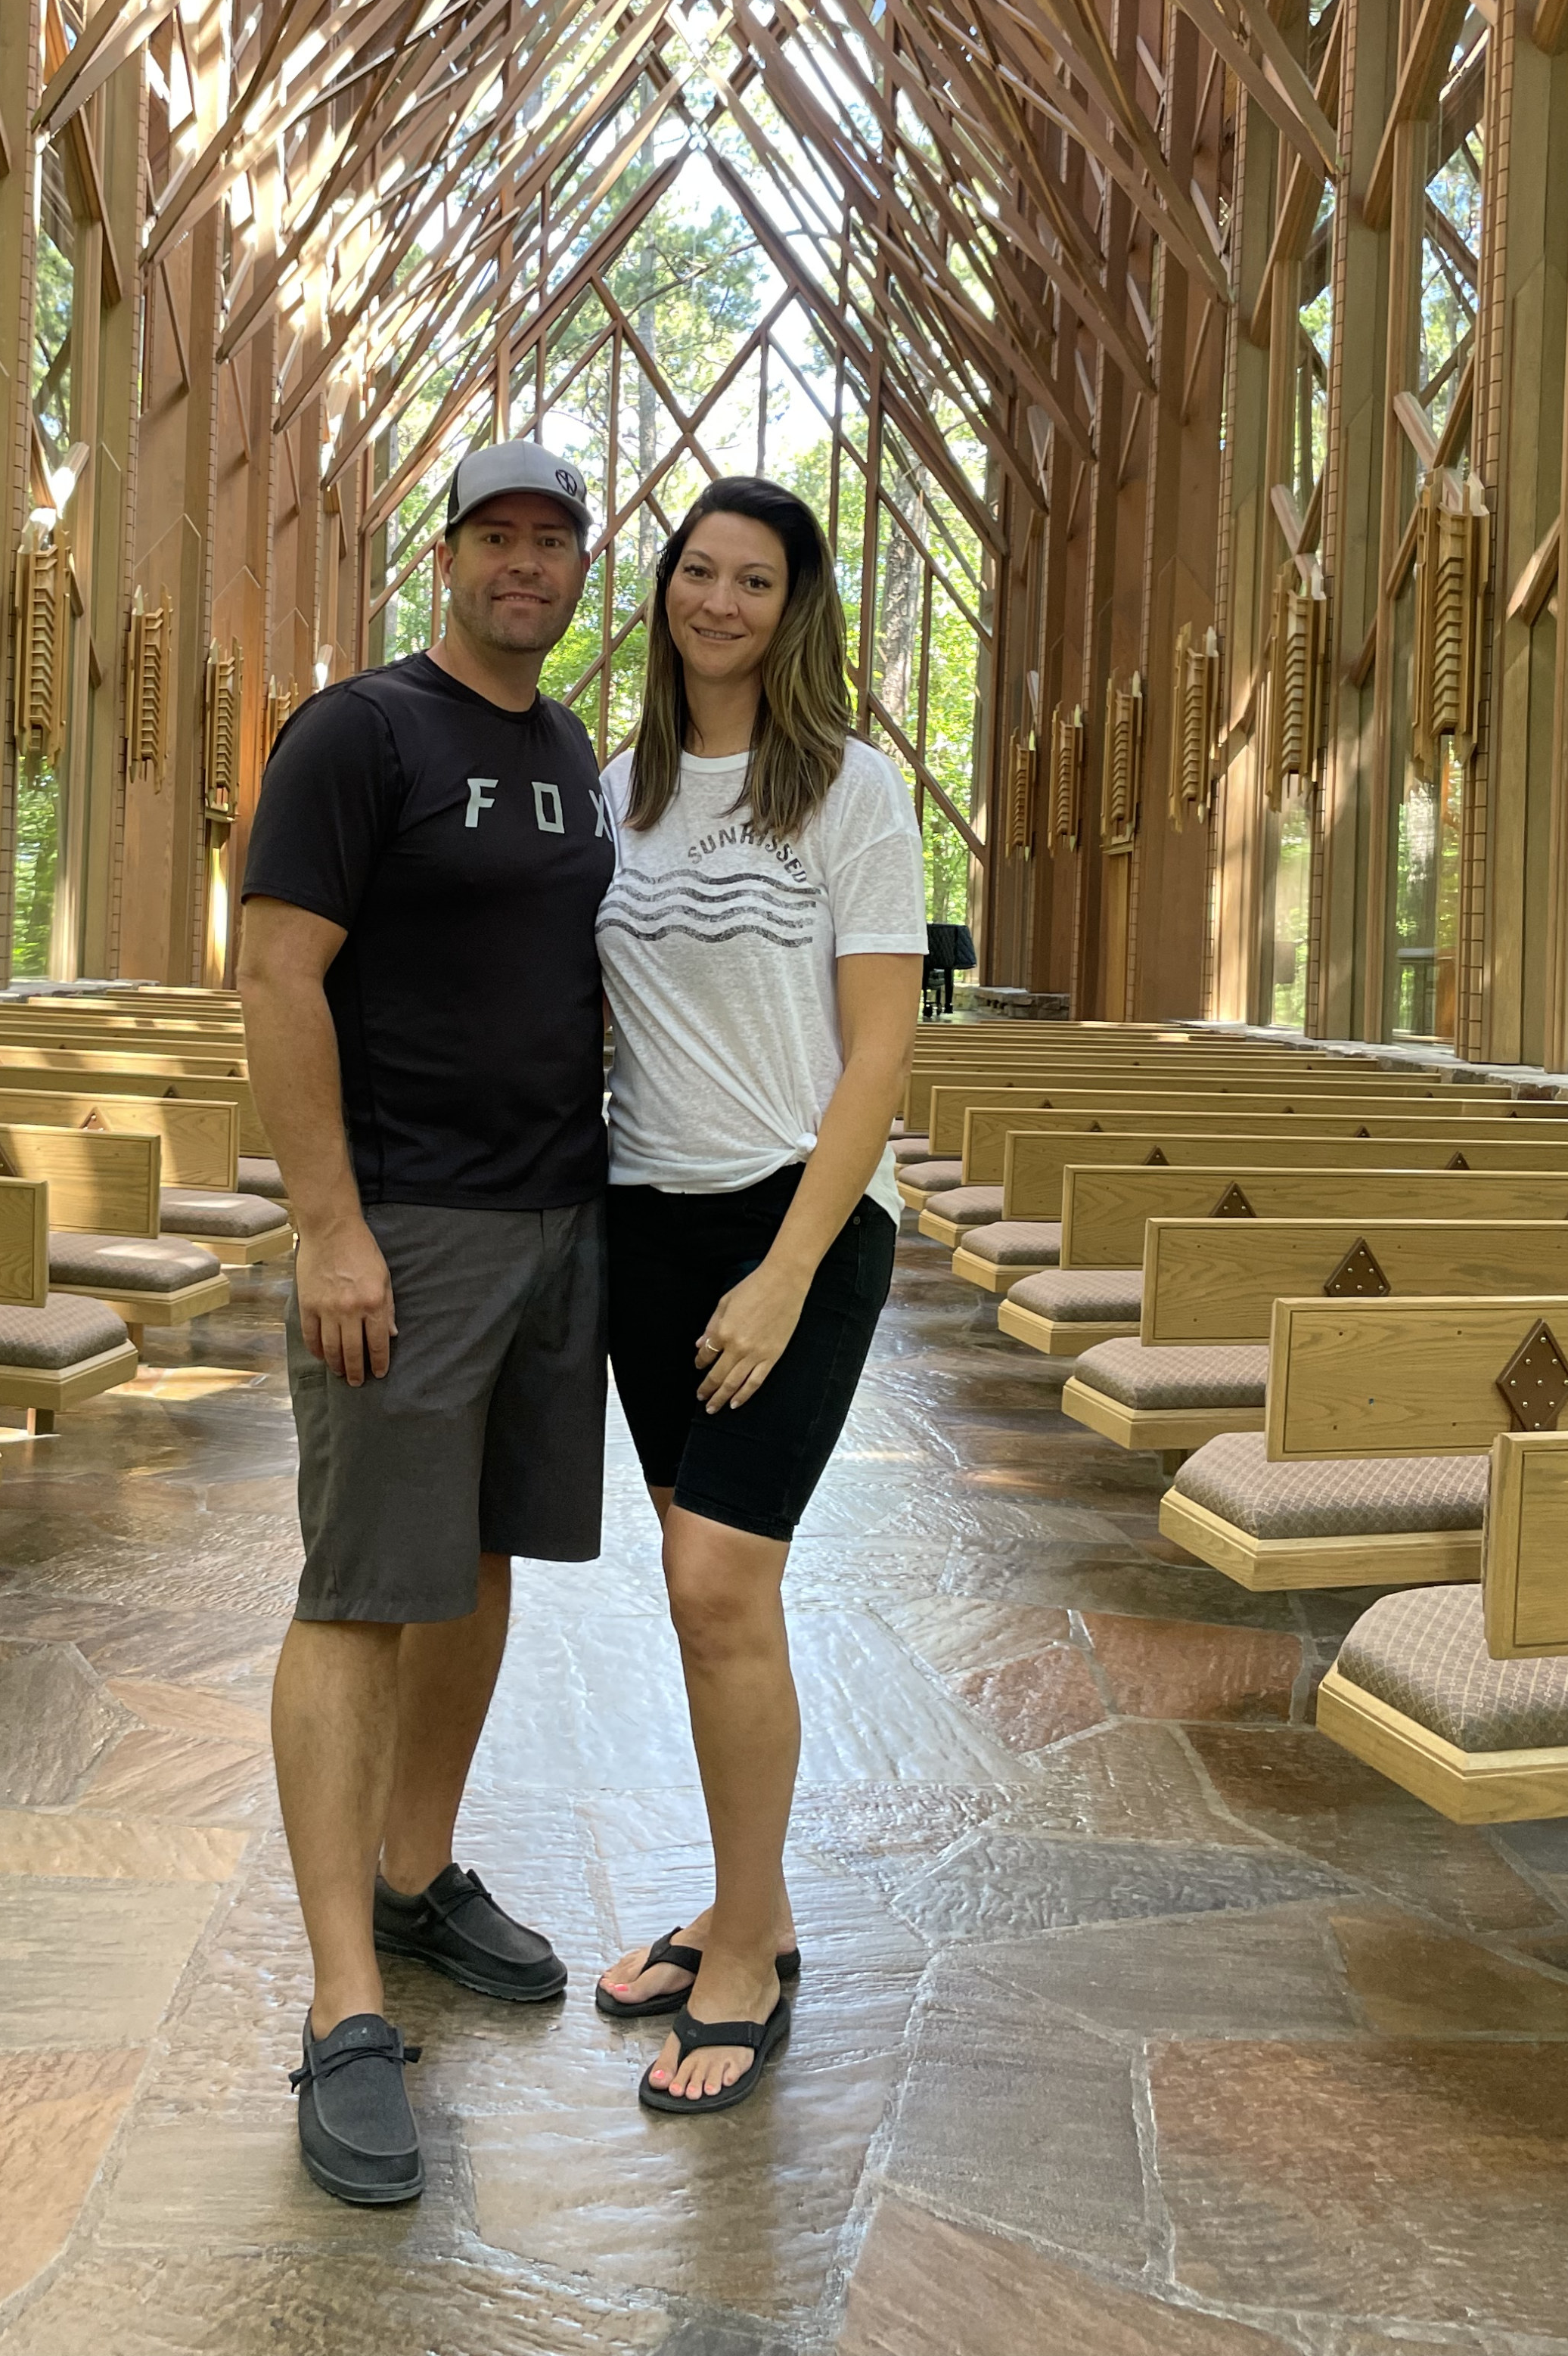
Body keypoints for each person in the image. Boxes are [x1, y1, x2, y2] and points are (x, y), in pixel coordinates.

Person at [238, 439, 613, 2208]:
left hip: (557, 1221)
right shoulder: (359, 731)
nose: (524, 563)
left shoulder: (573, 751)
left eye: (554, 540)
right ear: (447, 556)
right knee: (359, 1590)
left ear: (579, 569)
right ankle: (342, 2004)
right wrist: (331, 1226)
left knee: (476, 1564)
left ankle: (415, 1871)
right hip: (407, 1228)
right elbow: (275, 972)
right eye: (496, 535)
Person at [589, 476, 926, 2112]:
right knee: (698, 1585)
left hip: (798, 1219)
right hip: (642, 1222)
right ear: (666, 588)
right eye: (698, 570)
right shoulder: (618, 792)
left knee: (722, 1577)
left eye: (757, 579)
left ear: (797, 611)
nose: (719, 600)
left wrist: (788, 1269)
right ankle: (753, 1904)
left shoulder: (849, 789)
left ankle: (742, 1963)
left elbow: (882, 1047)